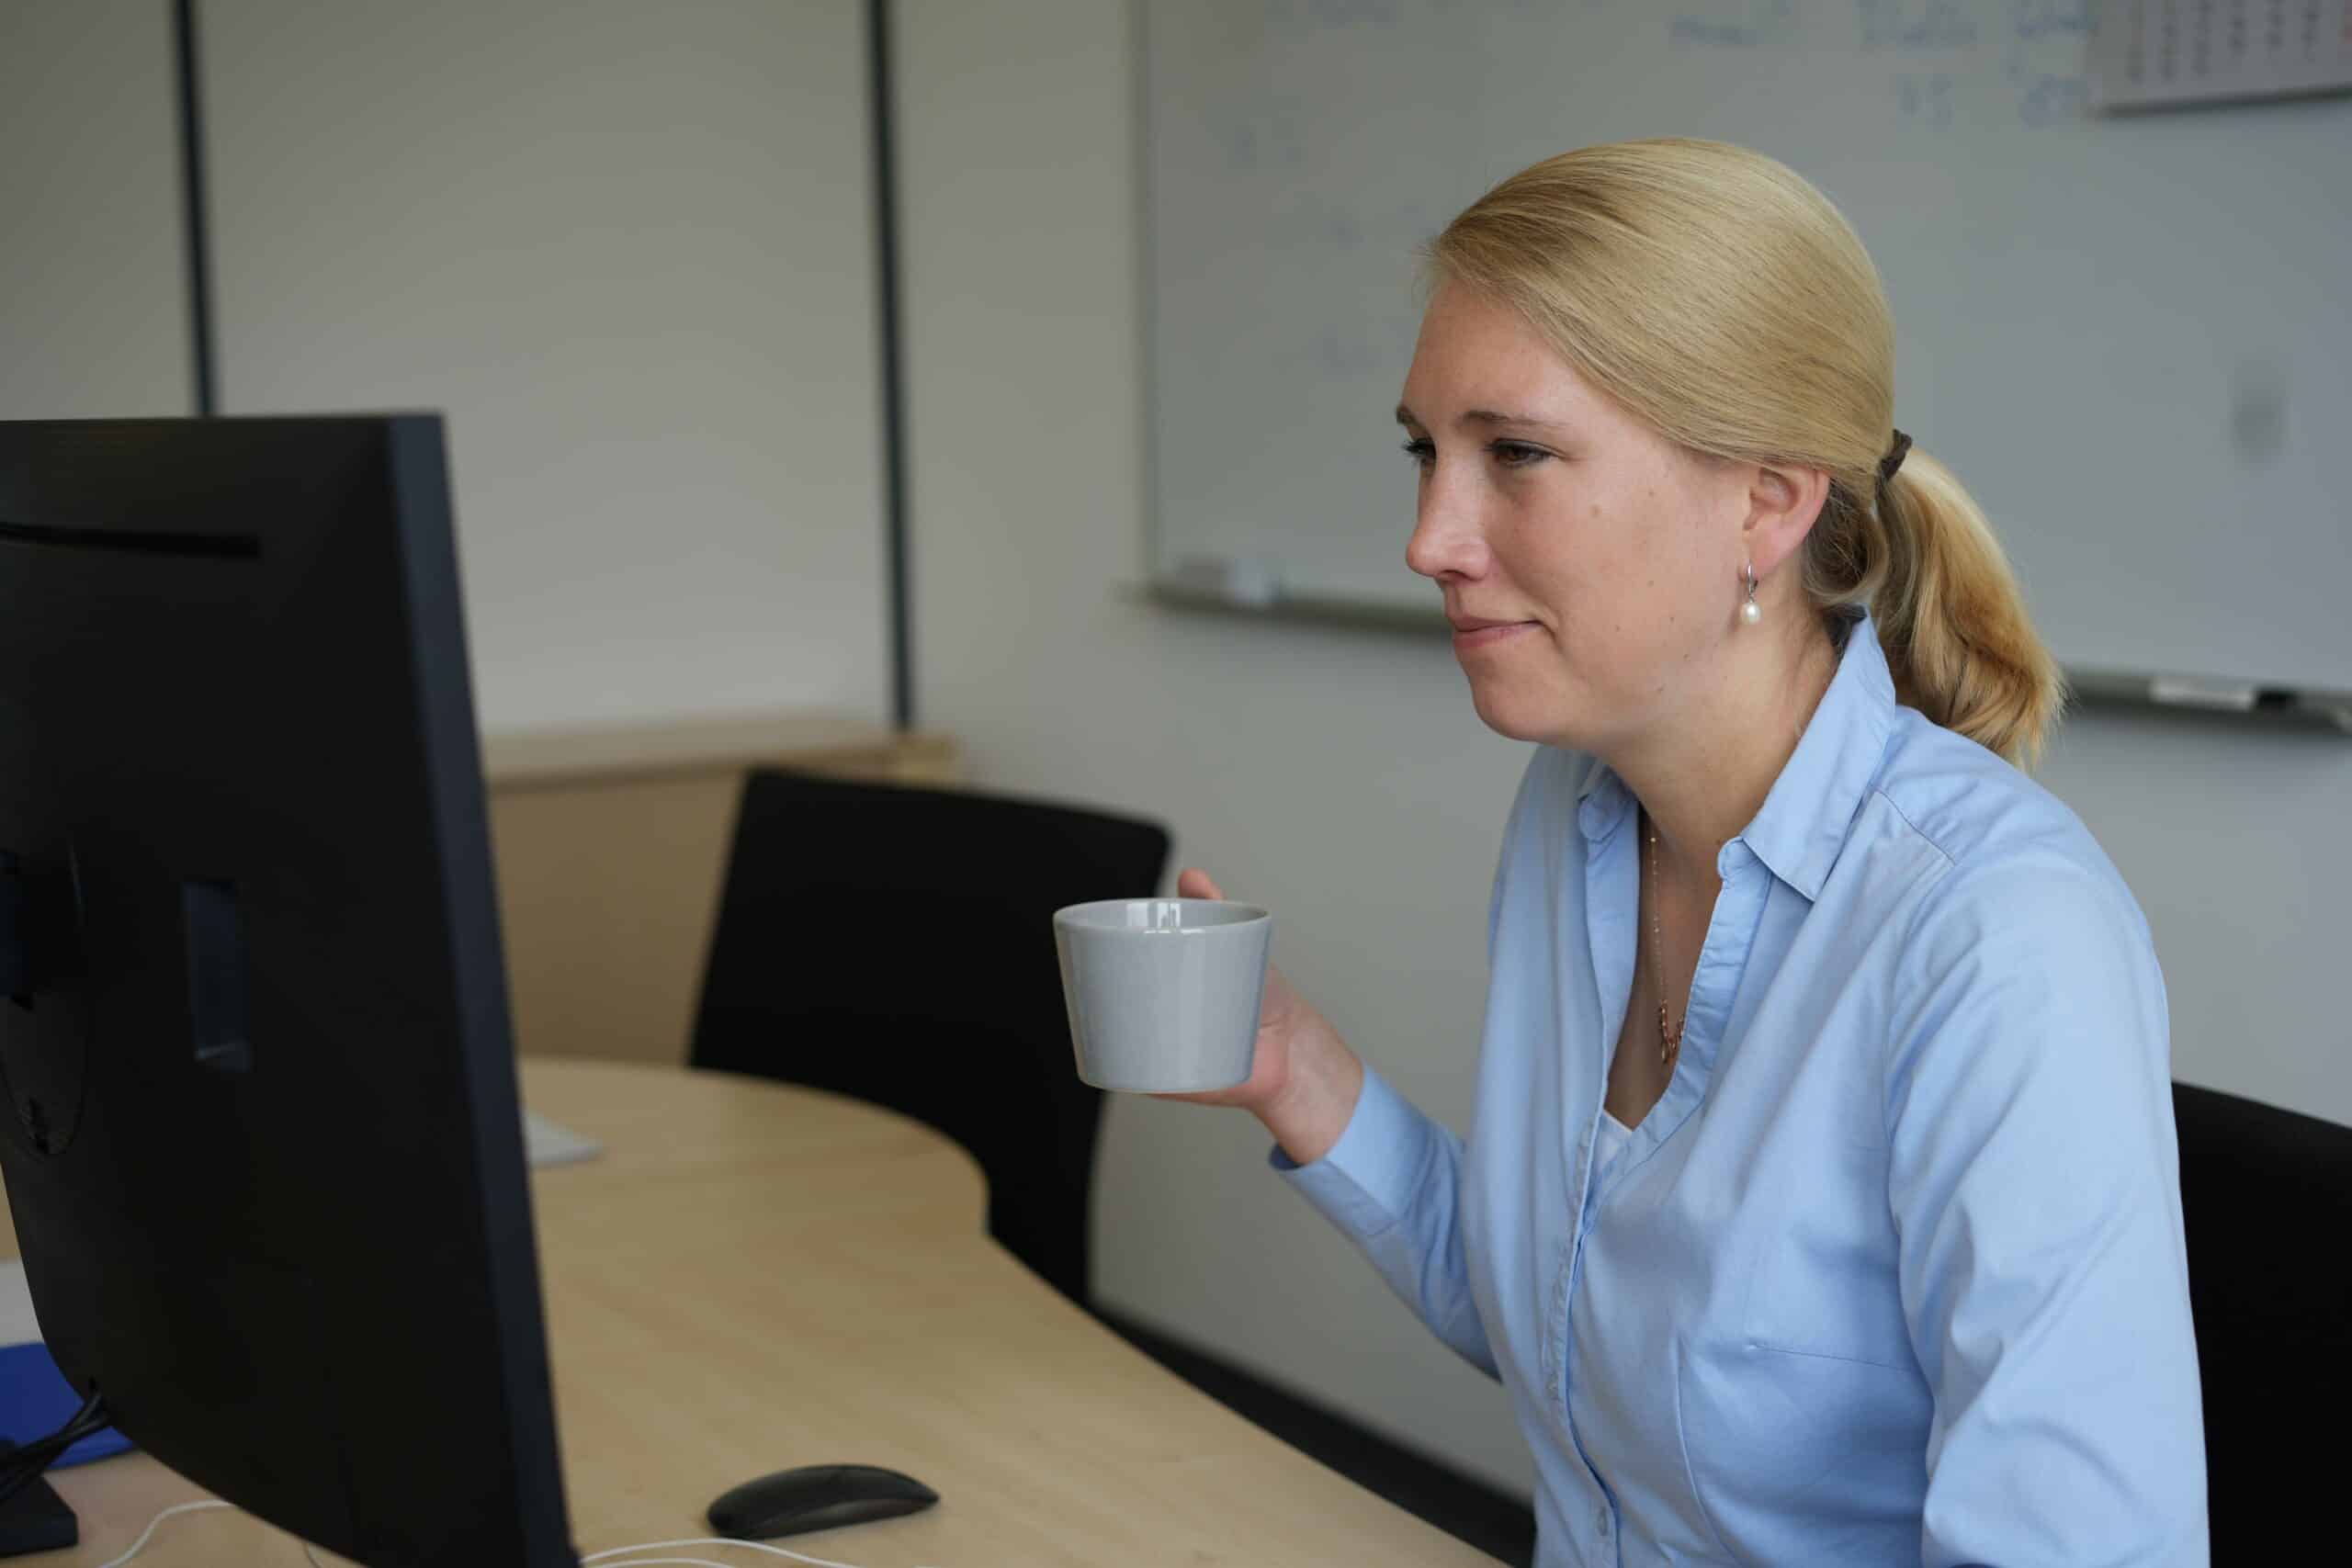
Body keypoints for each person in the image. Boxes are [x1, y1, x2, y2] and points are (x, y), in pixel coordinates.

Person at [1171, 140, 2206, 1566]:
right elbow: (1574, 1320)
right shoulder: (1572, 816)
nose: (1429, 537)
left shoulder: (1997, 937)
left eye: (1514, 453)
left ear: (1768, 505)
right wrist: (1297, 1070)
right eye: (1427, 452)